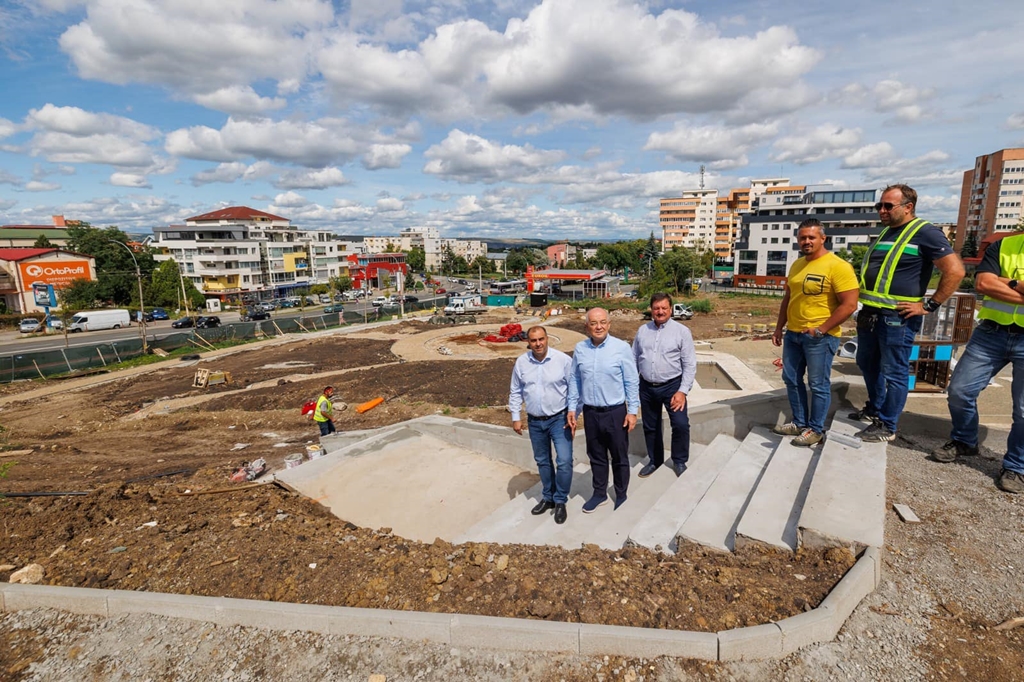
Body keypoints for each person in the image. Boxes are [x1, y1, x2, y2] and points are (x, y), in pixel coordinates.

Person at [852, 184, 964, 442]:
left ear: (908, 207)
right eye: (879, 206)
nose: (881, 210)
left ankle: (887, 425)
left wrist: (929, 306)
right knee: (867, 363)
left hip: (897, 319)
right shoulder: (886, 233)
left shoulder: (926, 233)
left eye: (887, 206)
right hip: (871, 313)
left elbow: (955, 271)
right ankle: (875, 409)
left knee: (894, 371)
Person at [933, 232, 1024, 494]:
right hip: (991, 334)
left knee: (1023, 411)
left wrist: (1007, 282)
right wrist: (1019, 283)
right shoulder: (1004, 245)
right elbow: (983, 284)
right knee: (960, 391)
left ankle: (1016, 466)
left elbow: (994, 283)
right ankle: (965, 440)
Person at [771, 219, 859, 446]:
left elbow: (849, 305)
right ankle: (799, 422)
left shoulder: (838, 266)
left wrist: (821, 329)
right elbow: (788, 299)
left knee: (818, 384)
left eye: (811, 237)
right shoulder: (797, 265)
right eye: (802, 238)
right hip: (794, 334)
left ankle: (816, 430)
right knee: (791, 378)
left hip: (820, 337)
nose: (806, 241)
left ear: (823, 238)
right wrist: (780, 327)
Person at [567, 307, 640, 512]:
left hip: (615, 412)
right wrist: (572, 408)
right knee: (596, 455)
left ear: (608, 324)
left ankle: (621, 493)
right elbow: (575, 380)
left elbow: (631, 381)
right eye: (593, 323)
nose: (598, 327)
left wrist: (632, 411)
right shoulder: (580, 349)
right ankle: (599, 494)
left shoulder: (621, 347)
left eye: (602, 322)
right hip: (591, 412)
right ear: (586, 326)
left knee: (619, 456)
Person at [508, 326, 575, 524]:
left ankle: (560, 499)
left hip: (559, 419)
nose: (538, 344)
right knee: (543, 461)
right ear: (528, 342)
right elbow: (515, 390)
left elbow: (574, 389)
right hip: (535, 422)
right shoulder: (522, 363)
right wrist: (515, 416)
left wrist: (573, 413)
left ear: (547, 339)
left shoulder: (562, 360)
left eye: (541, 339)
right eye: (534, 340)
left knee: (564, 460)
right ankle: (548, 497)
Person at [632, 293, 697, 477]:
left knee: (681, 424)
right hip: (646, 387)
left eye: (664, 308)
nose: (660, 312)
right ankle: (655, 460)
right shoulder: (642, 331)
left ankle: (679, 460)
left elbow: (690, 364)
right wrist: (632, 386)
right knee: (650, 426)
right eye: (656, 308)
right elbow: (633, 359)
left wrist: (683, 391)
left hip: (672, 387)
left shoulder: (682, 332)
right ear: (651, 310)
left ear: (670, 309)